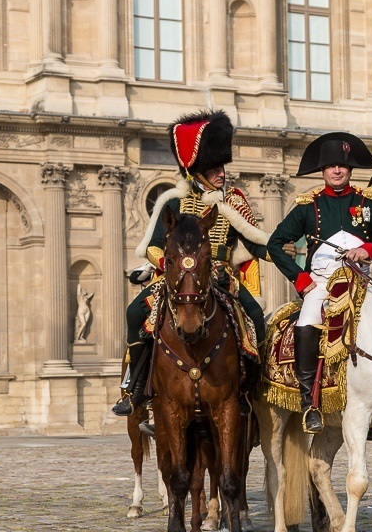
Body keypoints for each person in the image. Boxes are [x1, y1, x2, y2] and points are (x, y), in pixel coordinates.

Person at [112, 109, 276, 418]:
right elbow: (152, 247)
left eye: (222, 167)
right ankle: (136, 388)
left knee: (255, 317)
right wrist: (171, 263)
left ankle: (250, 391)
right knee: (135, 313)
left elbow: (255, 243)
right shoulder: (174, 203)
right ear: (197, 171)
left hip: (222, 277)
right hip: (178, 279)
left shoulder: (233, 202)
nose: (221, 173)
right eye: (214, 168)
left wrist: (282, 251)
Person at [267, 132, 372, 433]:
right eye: (332, 166)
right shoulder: (308, 206)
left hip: (364, 280)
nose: (337, 171)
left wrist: (367, 249)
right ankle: (310, 405)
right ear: (323, 171)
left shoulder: (367, 202)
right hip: (321, 283)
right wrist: (300, 278)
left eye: (343, 166)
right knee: (306, 322)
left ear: (350, 170)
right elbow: (275, 243)